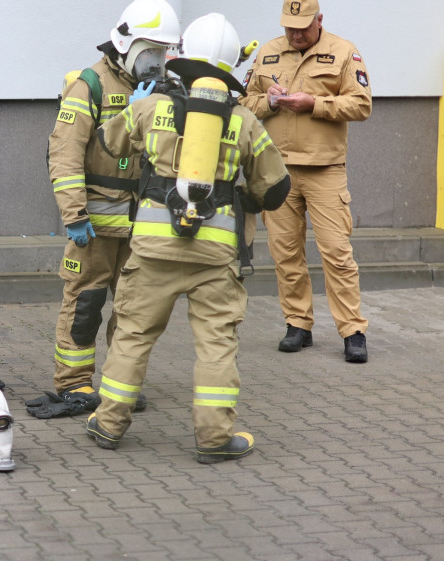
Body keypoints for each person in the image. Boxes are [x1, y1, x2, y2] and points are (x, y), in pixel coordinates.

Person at [86, 14, 292, 463]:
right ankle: (214, 439)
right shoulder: (244, 120)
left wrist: (140, 114)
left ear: (181, 57)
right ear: (230, 67)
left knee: (133, 335)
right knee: (216, 345)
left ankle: (108, 424)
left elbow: (107, 143)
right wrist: (240, 193)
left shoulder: (151, 107)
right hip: (215, 256)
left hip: (153, 251)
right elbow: (276, 190)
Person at [28, 0, 180, 419]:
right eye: (151, 50)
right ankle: (74, 384)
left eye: (163, 51)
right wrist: (74, 215)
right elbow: (65, 154)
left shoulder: (163, 88)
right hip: (93, 227)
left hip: (142, 225)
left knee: (135, 311)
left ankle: (119, 385)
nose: (158, 61)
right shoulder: (89, 85)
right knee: (85, 307)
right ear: (127, 44)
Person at [240, 0, 372, 363]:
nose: (295, 35)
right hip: (277, 170)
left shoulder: (343, 52)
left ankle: (353, 331)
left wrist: (314, 104)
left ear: (319, 20)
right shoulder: (267, 52)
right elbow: (243, 101)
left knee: (337, 253)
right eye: (289, 28)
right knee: (285, 253)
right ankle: (297, 324)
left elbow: (361, 104)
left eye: (302, 28)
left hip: (324, 169)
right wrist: (268, 102)